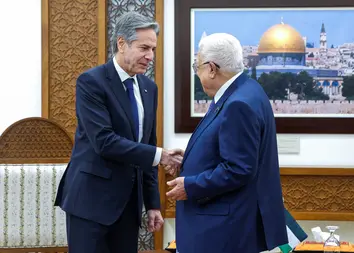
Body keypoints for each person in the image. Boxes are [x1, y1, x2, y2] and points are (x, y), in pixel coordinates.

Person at [55, 12, 182, 253]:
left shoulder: (148, 88)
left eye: (153, 49)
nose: (150, 56)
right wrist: (161, 155)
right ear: (121, 43)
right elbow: (104, 141)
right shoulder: (91, 82)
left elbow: (148, 145)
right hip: (90, 204)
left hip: (128, 207)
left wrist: (153, 204)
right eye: (144, 47)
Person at [167, 33, 288, 253]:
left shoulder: (237, 104)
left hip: (223, 230)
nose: (197, 73)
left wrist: (190, 186)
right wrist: (192, 157)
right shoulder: (248, 90)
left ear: (212, 68)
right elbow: (236, 151)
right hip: (228, 225)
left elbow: (239, 168)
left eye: (198, 66)